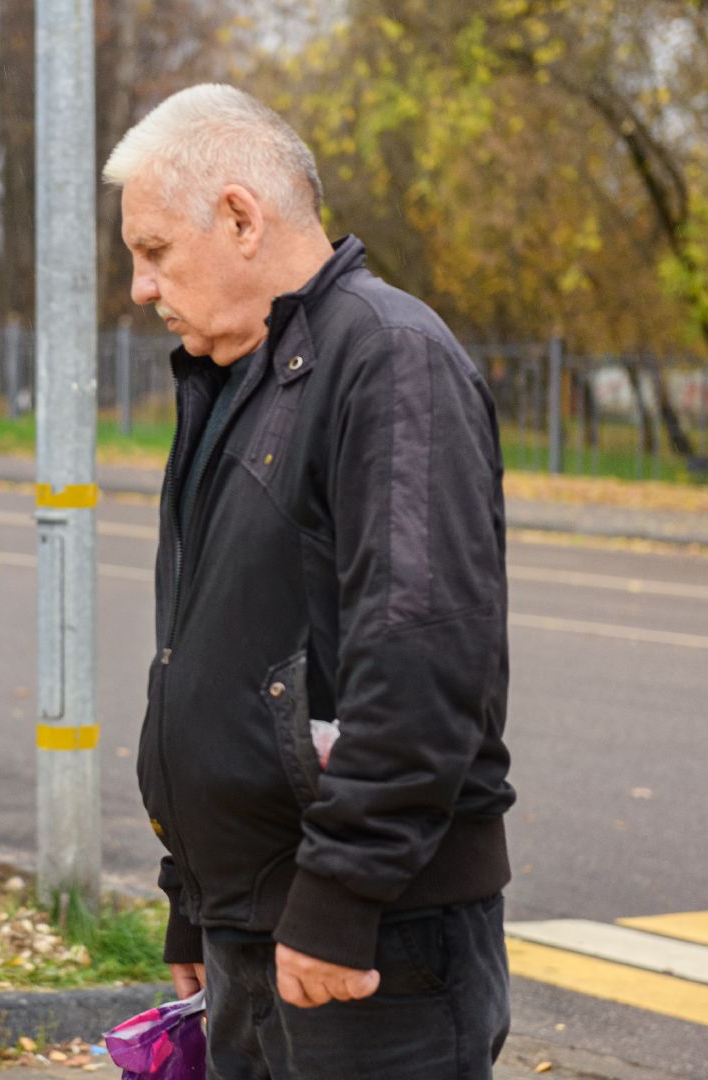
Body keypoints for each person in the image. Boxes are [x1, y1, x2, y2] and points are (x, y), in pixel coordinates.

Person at [102, 84, 515, 1079]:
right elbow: (223, 654)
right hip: (264, 924)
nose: (140, 288)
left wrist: (341, 899)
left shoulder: (390, 360)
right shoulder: (248, 373)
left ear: (242, 218)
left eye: (153, 250)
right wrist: (193, 902)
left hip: (370, 949)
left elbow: (421, 657)